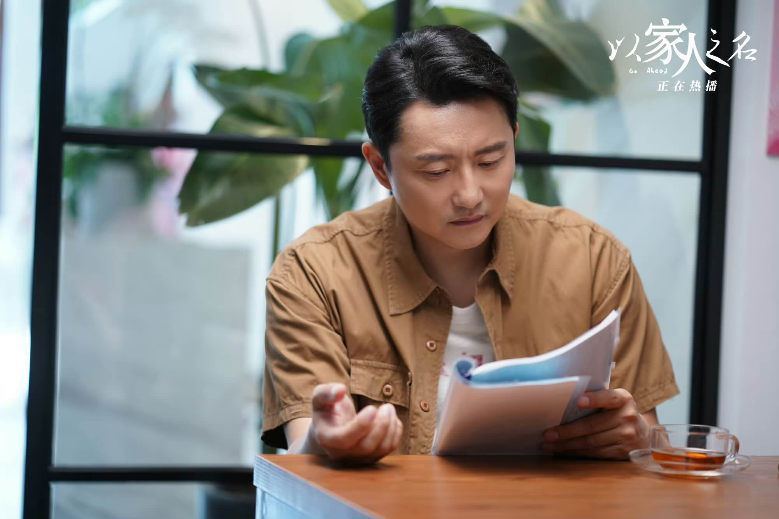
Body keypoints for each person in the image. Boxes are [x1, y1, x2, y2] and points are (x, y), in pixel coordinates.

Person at [261, 25, 679, 464]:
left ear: (514, 139)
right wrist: (327, 442)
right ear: (380, 167)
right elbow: (304, 451)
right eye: (437, 171)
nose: (469, 194)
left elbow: (650, 447)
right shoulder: (314, 273)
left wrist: (638, 439)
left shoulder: (594, 261)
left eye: (490, 161)